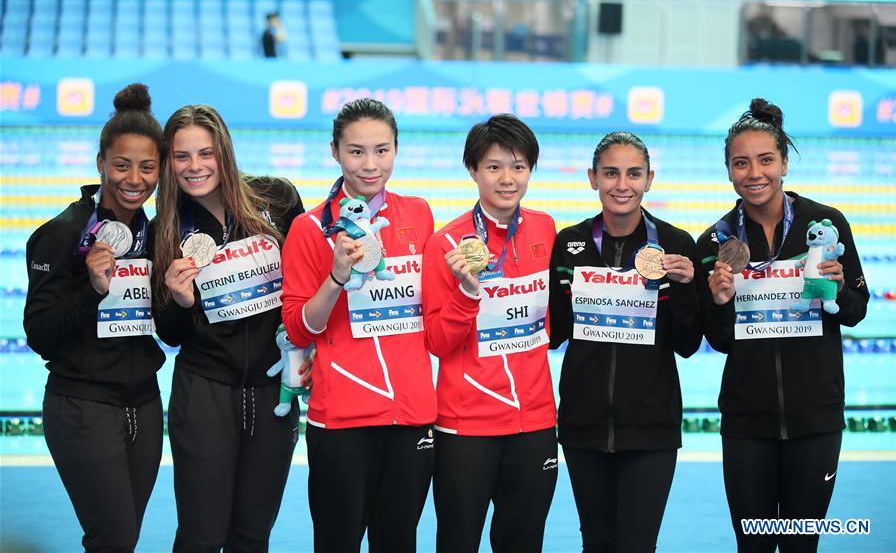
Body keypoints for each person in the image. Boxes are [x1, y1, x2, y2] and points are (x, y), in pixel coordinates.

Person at [696, 98, 869, 552]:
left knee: (800, 545)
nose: (755, 173)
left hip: (816, 418)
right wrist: (717, 301)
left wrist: (839, 289)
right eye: (741, 163)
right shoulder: (714, 241)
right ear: (729, 171)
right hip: (747, 421)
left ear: (784, 163)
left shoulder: (826, 224)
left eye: (766, 160)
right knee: (753, 545)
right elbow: (719, 339)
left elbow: (856, 310)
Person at [280, 98, 436, 553]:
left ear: (396, 150)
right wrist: (335, 279)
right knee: (337, 542)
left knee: (397, 542)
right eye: (356, 151)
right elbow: (298, 328)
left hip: (411, 416)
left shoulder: (419, 215)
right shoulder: (310, 229)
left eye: (382, 150)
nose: (370, 164)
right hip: (342, 418)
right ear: (335, 152)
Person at [151, 104, 304, 551]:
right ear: (169, 162)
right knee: (201, 536)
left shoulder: (276, 198)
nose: (195, 167)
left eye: (206, 153)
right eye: (182, 156)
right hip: (205, 392)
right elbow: (170, 333)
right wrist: (180, 301)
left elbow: (306, 281)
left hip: (272, 392)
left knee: (252, 534)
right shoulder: (166, 228)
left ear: (226, 153)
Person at [24, 83, 165, 551]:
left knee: (121, 539)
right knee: (113, 537)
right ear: (101, 163)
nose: (134, 178)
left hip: (143, 407)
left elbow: (166, 329)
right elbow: (40, 333)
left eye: (147, 167)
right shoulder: (62, 235)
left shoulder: (157, 235)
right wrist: (92, 291)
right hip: (82, 406)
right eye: (122, 165)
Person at [547, 131, 702, 552]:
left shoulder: (675, 244)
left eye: (633, 174)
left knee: (637, 544)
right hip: (584, 424)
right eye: (611, 173)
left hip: (651, 427)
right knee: (595, 542)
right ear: (592, 178)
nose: (622, 185)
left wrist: (688, 288)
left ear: (649, 179)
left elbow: (688, 343)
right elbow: (555, 331)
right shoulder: (569, 243)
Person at [421, 114, 558, 553]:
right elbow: (437, 343)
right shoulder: (446, 244)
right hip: (466, 427)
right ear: (473, 171)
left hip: (535, 422)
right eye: (494, 167)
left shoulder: (546, 229)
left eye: (518, 166)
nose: (507, 179)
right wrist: (467, 294)